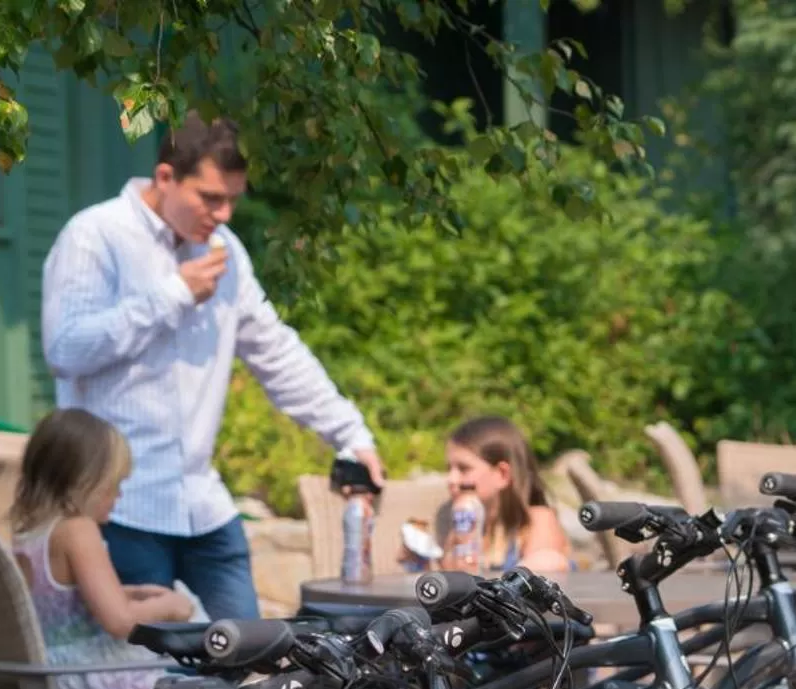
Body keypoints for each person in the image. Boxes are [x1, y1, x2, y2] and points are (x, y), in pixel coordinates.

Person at [40, 112, 385, 622]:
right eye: (210, 197)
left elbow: (275, 351)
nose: (223, 214)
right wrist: (174, 294)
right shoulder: (95, 236)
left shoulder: (227, 254)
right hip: (120, 506)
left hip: (203, 504)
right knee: (154, 682)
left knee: (249, 659)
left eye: (233, 200)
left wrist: (348, 431)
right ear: (165, 178)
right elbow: (65, 349)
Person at [9, 409, 199, 689]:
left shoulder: (29, 535)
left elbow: (58, 603)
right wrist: (170, 606)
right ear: (84, 483)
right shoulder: (78, 530)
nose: (119, 496)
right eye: (114, 485)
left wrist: (126, 592)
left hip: (57, 686)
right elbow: (120, 622)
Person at [404, 417, 572, 575]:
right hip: (485, 605)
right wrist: (421, 562)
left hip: (521, 605)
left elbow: (542, 577)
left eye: (463, 469)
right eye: (449, 469)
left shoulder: (537, 520)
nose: (451, 479)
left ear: (502, 474)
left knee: (550, 559)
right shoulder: (456, 520)